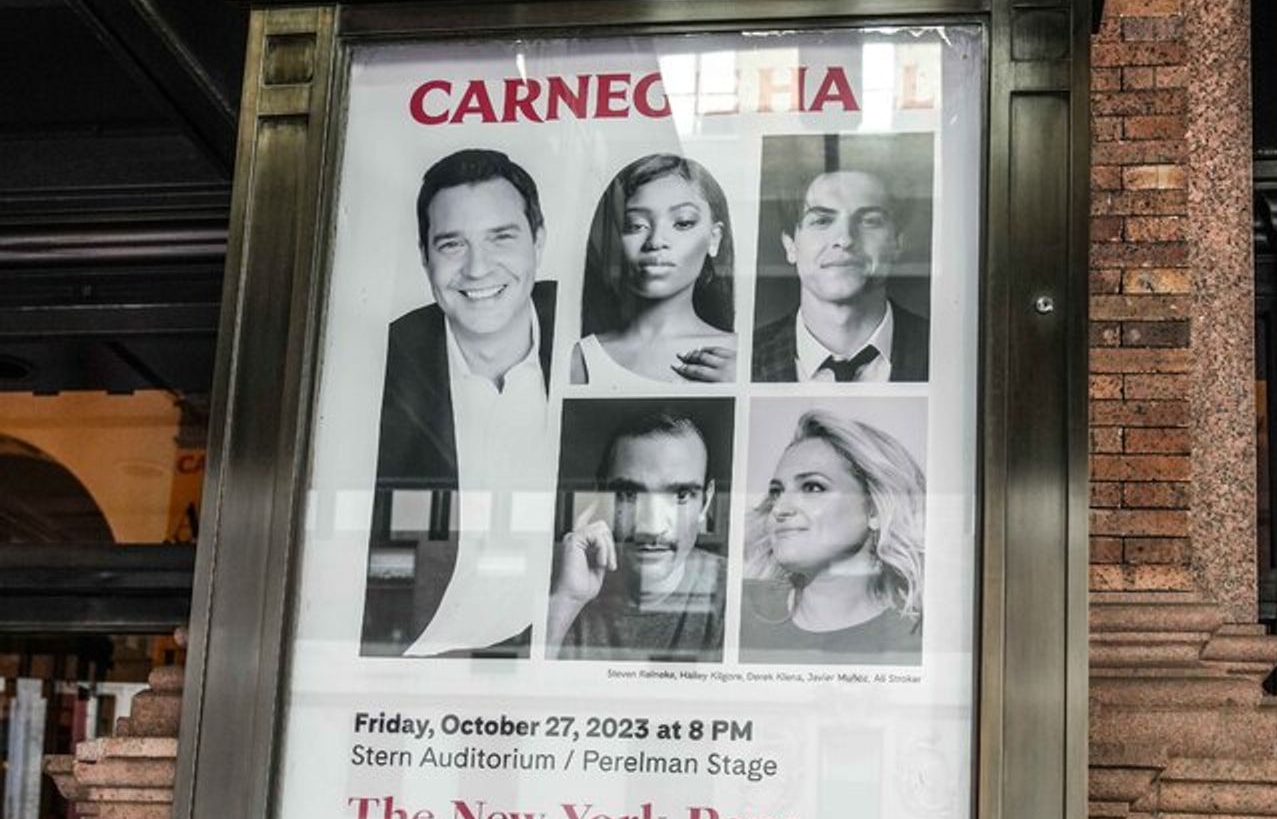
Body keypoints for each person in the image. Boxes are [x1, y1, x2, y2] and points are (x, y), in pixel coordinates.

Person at [361, 148, 556, 657]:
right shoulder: (378, 363)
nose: (477, 268)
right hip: (416, 657)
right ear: (425, 256)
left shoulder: (594, 330)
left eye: (501, 237)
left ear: (538, 239)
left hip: (564, 653)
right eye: (452, 245)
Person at [741, 408, 924, 662]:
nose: (780, 509)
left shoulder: (917, 641)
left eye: (812, 487)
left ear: (874, 508)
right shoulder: (741, 616)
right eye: (776, 492)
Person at [546, 408, 727, 660]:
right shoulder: (562, 582)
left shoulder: (735, 593)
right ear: (602, 496)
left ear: (705, 502)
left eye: (681, 495)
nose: (651, 529)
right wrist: (565, 601)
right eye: (628, 495)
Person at [570, 154, 737, 390]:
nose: (656, 241)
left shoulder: (740, 358)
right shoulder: (581, 359)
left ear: (714, 238)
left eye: (683, 222)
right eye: (636, 225)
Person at [752, 161, 929, 384]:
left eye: (869, 221)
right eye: (822, 221)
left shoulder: (942, 348)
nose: (845, 239)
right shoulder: (745, 359)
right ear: (790, 245)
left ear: (897, 243)